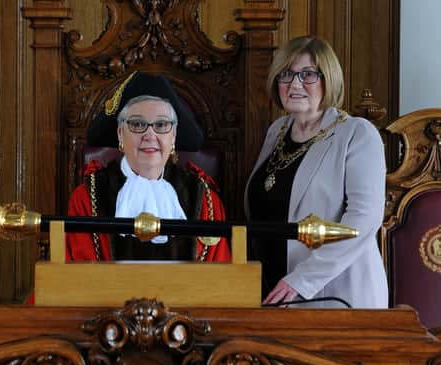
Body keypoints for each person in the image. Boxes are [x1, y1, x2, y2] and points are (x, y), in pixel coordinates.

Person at [244, 36, 388, 308]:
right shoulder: (277, 131)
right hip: (273, 288)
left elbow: (364, 219)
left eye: (308, 74)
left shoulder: (356, 133)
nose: (295, 84)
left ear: (328, 79)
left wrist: (302, 280)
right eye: (286, 74)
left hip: (335, 293)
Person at [66, 71, 230, 261]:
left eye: (161, 125)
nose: (150, 135)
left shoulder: (204, 200)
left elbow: (220, 281)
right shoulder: (88, 198)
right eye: (137, 124)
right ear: (120, 133)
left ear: (173, 136)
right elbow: (77, 278)